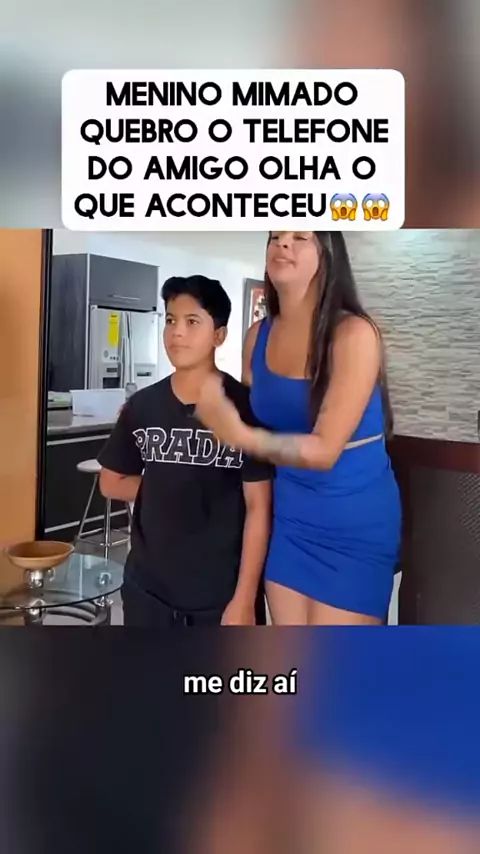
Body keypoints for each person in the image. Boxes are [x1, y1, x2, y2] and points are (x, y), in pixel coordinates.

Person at [195, 231, 402, 626]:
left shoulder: (355, 334)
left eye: (299, 237)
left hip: (352, 523)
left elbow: (323, 451)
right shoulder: (257, 336)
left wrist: (239, 434)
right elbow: (247, 417)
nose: (282, 244)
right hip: (290, 520)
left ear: (327, 255)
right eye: (275, 236)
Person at [98, 274, 273, 627]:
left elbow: (259, 507)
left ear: (218, 336)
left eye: (192, 322)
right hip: (148, 592)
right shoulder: (142, 406)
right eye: (170, 320)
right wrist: (166, 483)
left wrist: (243, 600)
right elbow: (110, 482)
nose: (177, 332)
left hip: (220, 597)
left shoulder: (246, 409)